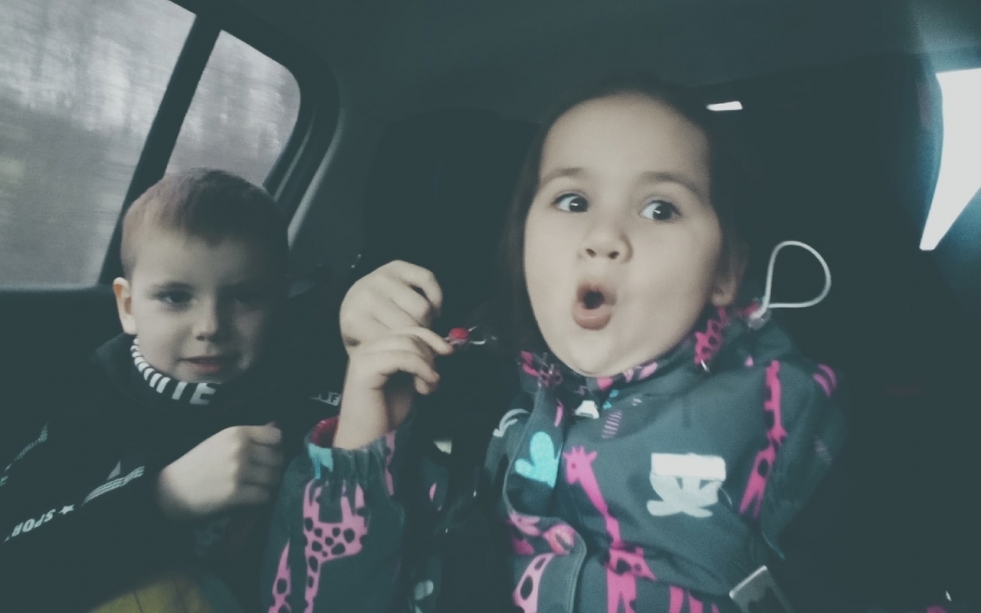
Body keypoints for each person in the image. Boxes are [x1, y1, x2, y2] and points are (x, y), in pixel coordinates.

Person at [262, 76, 850, 612]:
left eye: (659, 208)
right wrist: (365, 431)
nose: (604, 237)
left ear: (726, 271)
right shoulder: (463, 391)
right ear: (524, 245)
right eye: (573, 201)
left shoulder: (783, 414)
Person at [0, 169, 340, 613]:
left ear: (279, 298)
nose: (210, 327)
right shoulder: (89, 408)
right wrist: (164, 498)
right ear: (128, 307)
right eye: (176, 297)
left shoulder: (306, 401)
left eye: (244, 297)